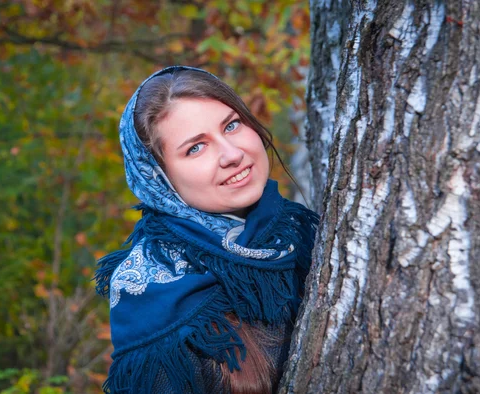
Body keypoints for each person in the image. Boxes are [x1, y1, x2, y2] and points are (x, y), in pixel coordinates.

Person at [95, 66, 318, 394]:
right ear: (159, 179)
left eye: (232, 125)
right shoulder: (156, 303)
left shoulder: (300, 233)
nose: (232, 154)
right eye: (195, 148)